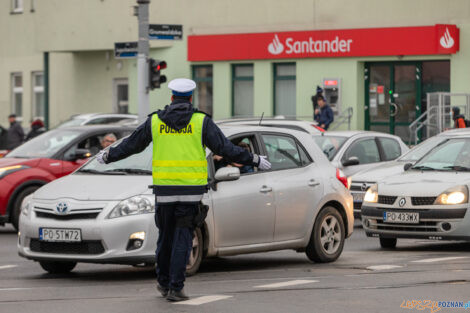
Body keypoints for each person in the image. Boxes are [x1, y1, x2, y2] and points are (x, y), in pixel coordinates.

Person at [95, 78, 271, 302]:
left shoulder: (156, 121)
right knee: (182, 240)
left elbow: (132, 145)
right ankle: (176, 288)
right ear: (190, 98)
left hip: (164, 192)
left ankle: (163, 282)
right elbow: (225, 149)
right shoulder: (200, 122)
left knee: (165, 239)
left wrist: (108, 155)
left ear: (171, 98)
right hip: (190, 192)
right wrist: (254, 159)